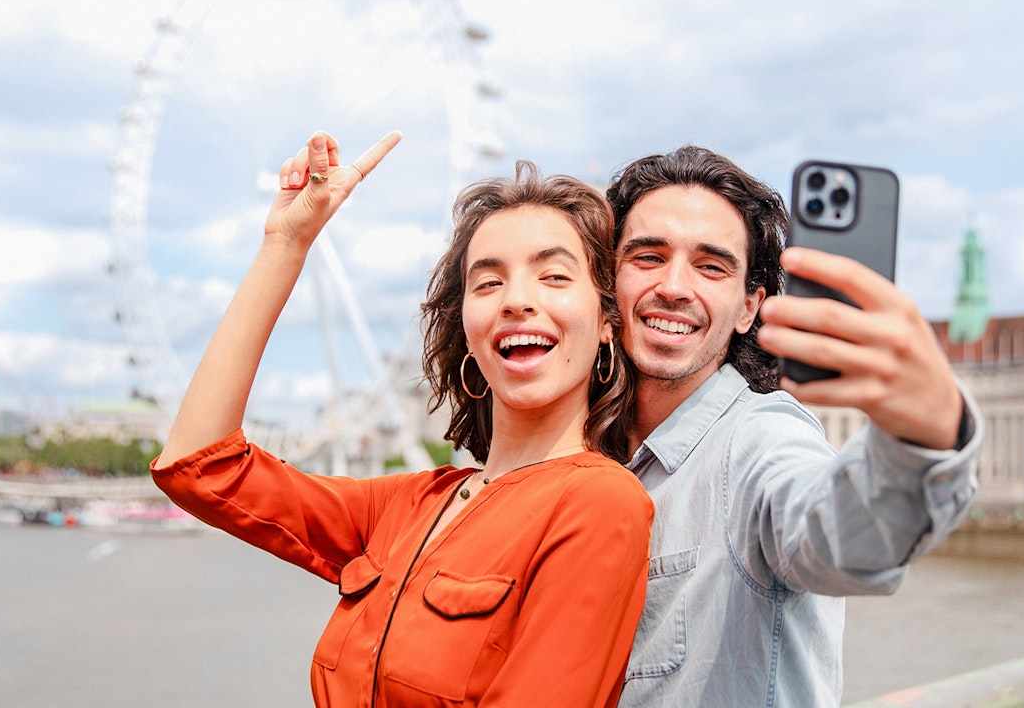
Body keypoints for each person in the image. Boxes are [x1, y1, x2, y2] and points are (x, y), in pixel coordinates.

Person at [151, 131, 653, 707]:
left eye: (554, 276)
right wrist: (286, 244)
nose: (516, 300)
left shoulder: (597, 503)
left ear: (608, 321)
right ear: (466, 327)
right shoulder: (408, 506)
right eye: (488, 283)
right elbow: (201, 467)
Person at [605, 145, 982, 707]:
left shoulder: (763, 438)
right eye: (648, 257)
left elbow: (844, 535)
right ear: (609, 281)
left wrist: (923, 435)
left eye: (711, 266)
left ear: (749, 309)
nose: (675, 286)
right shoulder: (589, 457)